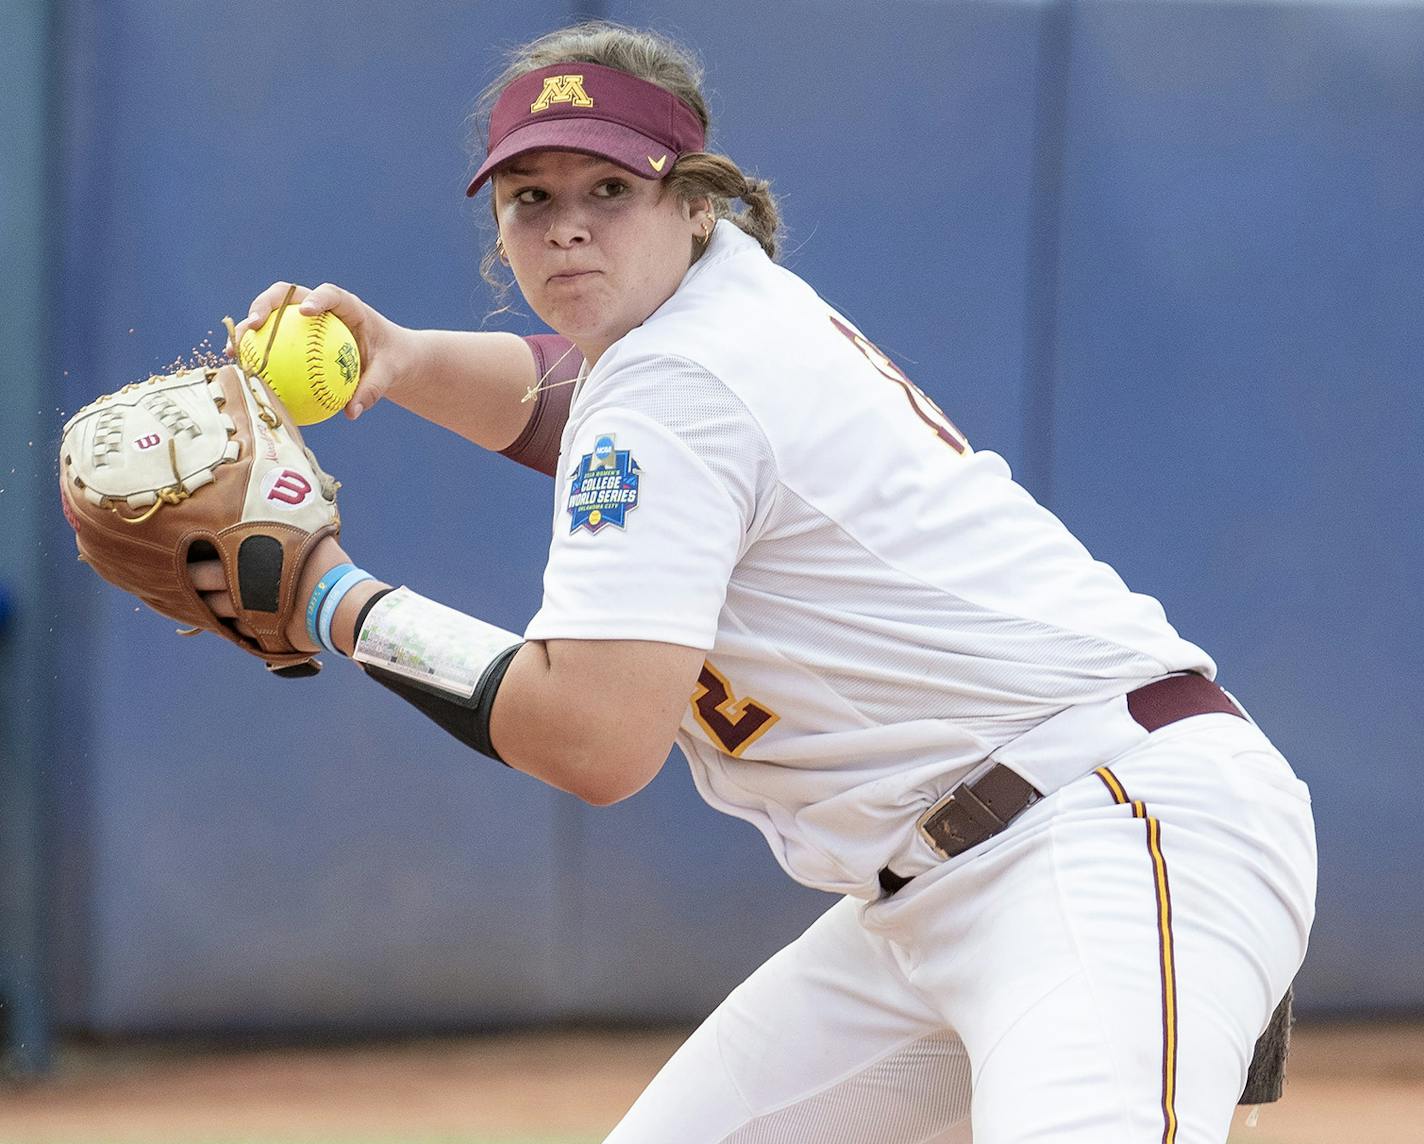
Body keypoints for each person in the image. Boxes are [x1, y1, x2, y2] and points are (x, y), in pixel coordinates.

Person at [214, 21, 1316, 1143]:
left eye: (609, 185)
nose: (569, 227)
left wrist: (327, 599)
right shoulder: (702, 316)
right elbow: (565, 396)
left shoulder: (675, 386)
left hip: (1101, 837)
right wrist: (401, 359)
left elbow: (593, 739)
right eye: (529, 199)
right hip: (939, 894)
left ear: (695, 199)